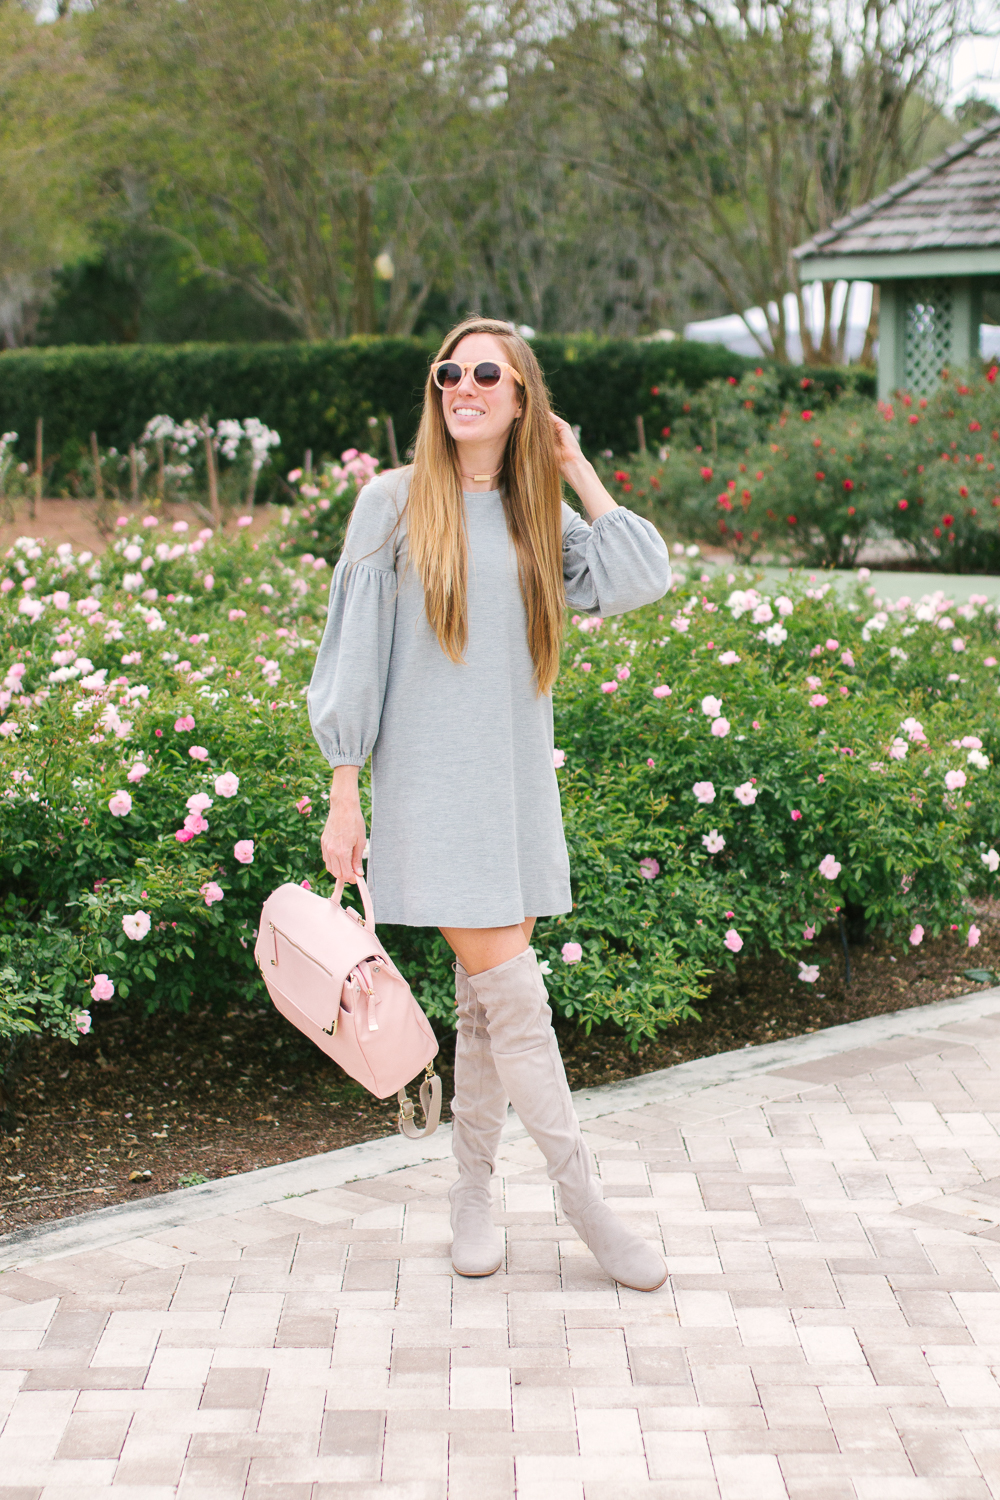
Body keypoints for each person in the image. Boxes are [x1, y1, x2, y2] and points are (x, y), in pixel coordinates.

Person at [307, 317, 671, 1291]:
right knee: (515, 995)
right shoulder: (389, 505)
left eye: (485, 373)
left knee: (484, 1007)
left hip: (510, 790)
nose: (461, 385)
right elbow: (351, 658)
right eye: (447, 372)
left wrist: (576, 466)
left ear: (519, 396)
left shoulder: (535, 512)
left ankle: (471, 1193)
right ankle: (582, 1196)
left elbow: (644, 574)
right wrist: (344, 791)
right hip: (428, 791)